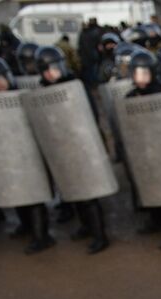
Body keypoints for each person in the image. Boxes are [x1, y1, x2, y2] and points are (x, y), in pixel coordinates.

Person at [0, 57, 55, 254]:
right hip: (7, 154)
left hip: (30, 152)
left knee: (35, 196)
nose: (0, 84)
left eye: (2, 78)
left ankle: (42, 235)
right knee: (17, 192)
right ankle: (26, 226)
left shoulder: (25, 95)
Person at [36, 45, 110, 254]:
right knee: (73, 190)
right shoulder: (43, 91)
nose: (51, 74)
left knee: (89, 194)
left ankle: (99, 235)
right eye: (46, 70)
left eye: (53, 68)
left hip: (82, 144)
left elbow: (90, 114)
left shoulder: (75, 85)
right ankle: (86, 226)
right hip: (61, 147)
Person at [124, 50, 161, 250]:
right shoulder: (131, 96)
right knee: (150, 184)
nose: (140, 79)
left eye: (145, 74)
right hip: (144, 149)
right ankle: (156, 221)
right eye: (137, 74)